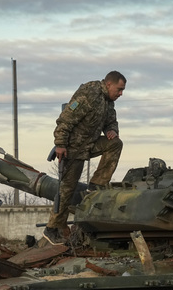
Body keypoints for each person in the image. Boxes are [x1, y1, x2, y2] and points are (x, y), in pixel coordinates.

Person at [43, 71, 126, 245]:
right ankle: (52, 228)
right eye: (119, 89)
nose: (121, 94)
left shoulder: (108, 102)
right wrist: (60, 143)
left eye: (122, 90)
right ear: (109, 84)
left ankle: (96, 185)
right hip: (72, 148)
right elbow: (66, 118)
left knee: (115, 143)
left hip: (90, 144)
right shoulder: (90, 92)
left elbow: (111, 121)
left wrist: (112, 131)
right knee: (66, 189)